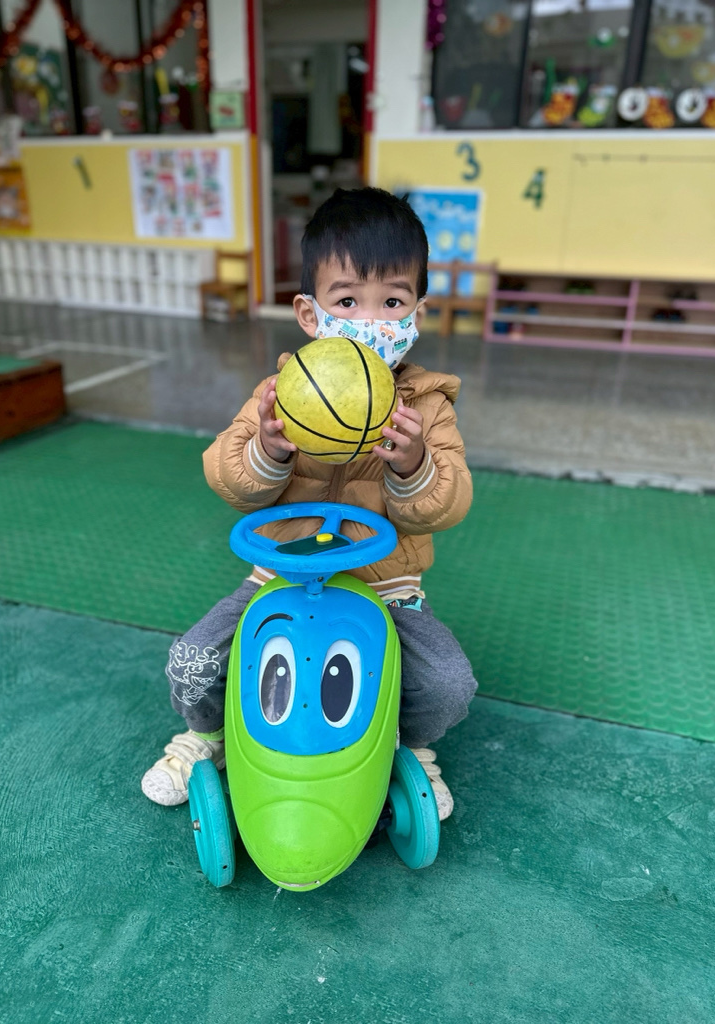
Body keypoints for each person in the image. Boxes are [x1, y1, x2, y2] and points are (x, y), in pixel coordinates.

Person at [141, 187, 477, 820]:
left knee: (448, 684)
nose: (370, 320)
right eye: (347, 301)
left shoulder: (427, 407)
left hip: (387, 586)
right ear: (309, 312)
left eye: (392, 302)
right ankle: (207, 735)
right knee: (191, 663)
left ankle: (407, 745)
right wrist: (268, 450)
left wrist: (412, 465)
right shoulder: (281, 393)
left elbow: (447, 503)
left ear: (417, 313)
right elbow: (227, 477)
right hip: (279, 574)